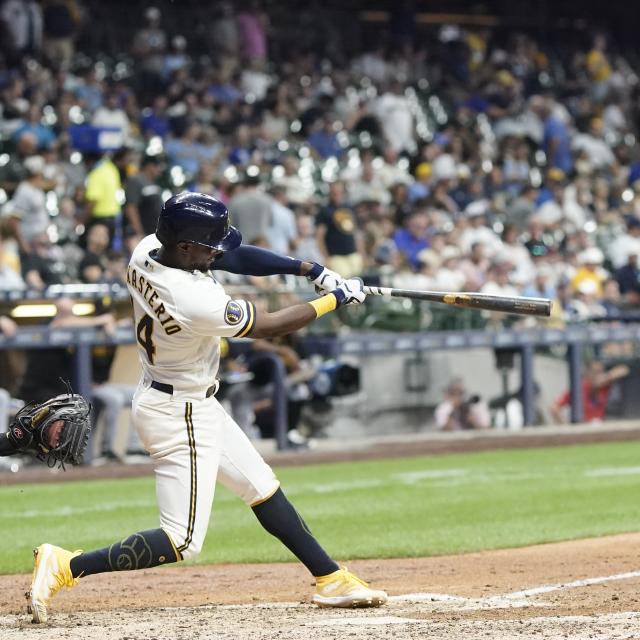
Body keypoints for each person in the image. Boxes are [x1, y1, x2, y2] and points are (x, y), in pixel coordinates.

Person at [24, 192, 386, 624]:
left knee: (261, 486)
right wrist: (334, 300)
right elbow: (270, 324)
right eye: (208, 246)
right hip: (180, 413)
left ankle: (330, 577)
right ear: (185, 248)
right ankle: (65, 565)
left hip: (184, 397)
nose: (216, 252)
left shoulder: (147, 251)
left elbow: (232, 258)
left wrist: (309, 269)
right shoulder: (192, 299)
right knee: (181, 540)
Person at [550, 360, 629, 424]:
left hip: (599, 428)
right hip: (582, 430)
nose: (599, 375)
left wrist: (606, 377)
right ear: (588, 373)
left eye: (601, 372)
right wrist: (566, 428)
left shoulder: (604, 387)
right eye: (596, 372)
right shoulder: (578, 388)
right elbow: (554, 408)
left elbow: (624, 370)